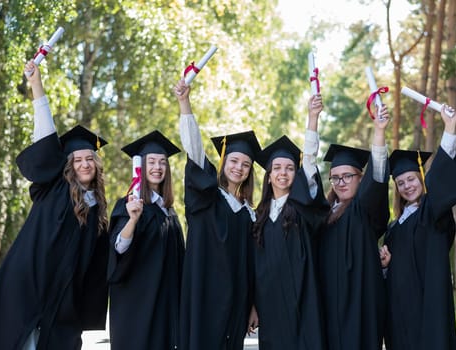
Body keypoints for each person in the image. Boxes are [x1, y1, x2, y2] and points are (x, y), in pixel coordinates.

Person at [0, 61, 109, 349]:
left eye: (89, 159)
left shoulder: (97, 207)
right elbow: (45, 134)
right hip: (27, 282)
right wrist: (36, 85)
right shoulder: (54, 186)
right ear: (67, 164)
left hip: (63, 294)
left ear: (96, 164)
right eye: (77, 159)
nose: (84, 164)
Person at [174, 80, 261, 349]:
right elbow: (195, 151)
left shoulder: (251, 215)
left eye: (246, 164)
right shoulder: (206, 198)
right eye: (234, 161)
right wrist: (184, 104)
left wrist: (254, 305)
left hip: (237, 304)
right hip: (203, 299)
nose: (239, 168)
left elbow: (256, 266)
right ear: (223, 163)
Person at [382, 105, 456, 350]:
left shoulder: (432, 212)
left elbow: (442, 177)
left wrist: (450, 129)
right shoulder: (393, 228)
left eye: (412, 179)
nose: (407, 186)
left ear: (423, 179)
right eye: (400, 183)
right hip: (398, 314)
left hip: (427, 310)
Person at [252, 94, 329, 349]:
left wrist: (312, 118)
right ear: (269, 175)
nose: (283, 173)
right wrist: (253, 304)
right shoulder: (259, 216)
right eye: (277, 168)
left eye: (289, 168)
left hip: (303, 301)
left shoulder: (301, 208)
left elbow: (309, 162)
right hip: (270, 303)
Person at [316, 104, 390, 350]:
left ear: (361, 177)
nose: (341, 182)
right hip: (327, 304)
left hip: (361, 304)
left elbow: (378, 177)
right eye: (335, 177)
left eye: (348, 176)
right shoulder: (322, 216)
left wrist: (379, 131)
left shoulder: (364, 210)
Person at [107, 130, 184, 350]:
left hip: (164, 303)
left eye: (162, 163)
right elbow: (119, 247)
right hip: (136, 304)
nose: (157, 167)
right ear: (141, 166)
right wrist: (132, 220)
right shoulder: (129, 205)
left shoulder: (169, 212)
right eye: (151, 162)